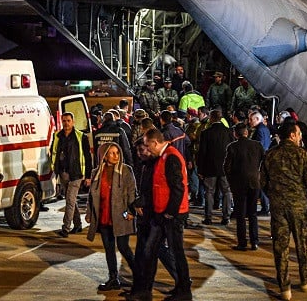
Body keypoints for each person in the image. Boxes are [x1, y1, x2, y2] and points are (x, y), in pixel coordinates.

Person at [261, 120, 307, 301]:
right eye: (299, 134)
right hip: (298, 206)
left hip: (278, 207)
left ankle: (284, 287)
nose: (300, 137)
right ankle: (306, 280)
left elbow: (262, 182)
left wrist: (274, 195)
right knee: (302, 244)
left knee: (280, 247)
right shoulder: (302, 154)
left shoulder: (270, 155)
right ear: (292, 135)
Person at [129, 128, 192, 301]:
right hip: (162, 215)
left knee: (175, 252)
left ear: (155, 142)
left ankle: (184, 290)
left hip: (171, 216)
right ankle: (147, 290)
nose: (147, 149)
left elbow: (178, 189)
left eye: (148, 145)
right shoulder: (162, 157)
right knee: (151, 251)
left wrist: (170, 214)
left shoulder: (170, 157)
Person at [86, 142, 137, 291]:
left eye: (117, 153)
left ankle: (140, 277)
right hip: (104, 216)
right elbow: (91, 196)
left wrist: (130, 213)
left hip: (121, 216)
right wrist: (90, 214)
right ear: (104, 155)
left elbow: (132, 194)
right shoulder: (97, 172)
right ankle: (113, 278)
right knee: (109, 249)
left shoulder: (126, 170)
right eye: (112, 153)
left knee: (123, 247)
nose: (116, 156)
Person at [50, 112, 92, 238]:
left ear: (73, 122)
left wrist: (88, 176)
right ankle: (78, 224)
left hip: (76, 174)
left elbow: (88, 157)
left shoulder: (81, 137)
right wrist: (55, 169)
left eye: (68, 120)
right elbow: (54, 152)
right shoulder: (58, 136)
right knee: (72, 201)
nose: (66, 123)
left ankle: (66, 228)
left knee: (69, 201)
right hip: (63, 173)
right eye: (64, 121)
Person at [223, 123, 264, 251]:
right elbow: (264, 161)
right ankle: (254, 241)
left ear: (236, 134)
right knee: (252, 213)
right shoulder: (257, 145)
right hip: (254, 182)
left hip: (239, 183)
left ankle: (242, 242)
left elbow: (226, 167)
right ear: (247, 133)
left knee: (240, 214)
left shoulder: (232, 147)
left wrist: (231, 181)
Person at [198, 109, 234, 225]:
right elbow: (232, 150)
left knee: (209, 192)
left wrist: (200, 169)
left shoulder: (206, 133)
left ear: (211, 118)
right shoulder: (228, 132)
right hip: (225, 168)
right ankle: (226, 216)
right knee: (227, 192)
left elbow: (202, 152)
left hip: (210, 167)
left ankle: (208, 217)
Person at [249, 110, 272, 216]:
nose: (249, 122)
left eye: (251, 119)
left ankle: (265, 207)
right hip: (262, 160)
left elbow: (261, 146)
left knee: (260, 184)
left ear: (257, 119)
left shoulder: (260, 130)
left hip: (260, 161)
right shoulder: (264, 129)